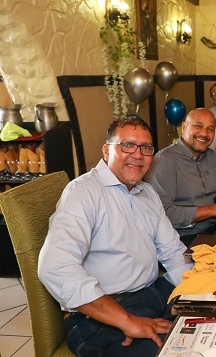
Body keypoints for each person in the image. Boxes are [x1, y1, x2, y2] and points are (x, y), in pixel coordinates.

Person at [38, 116, 192, 357]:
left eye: (146, 147)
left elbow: (172, 253)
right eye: (127, 145)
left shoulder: (147, 192)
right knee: (175, 352)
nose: (138, 154)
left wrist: (196, 292)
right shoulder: (83, 193)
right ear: (106, 150)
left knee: (215, 315)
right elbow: (55, 268)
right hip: (100, 316)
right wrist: (127, 320)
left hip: (151, 293)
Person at [146, 108, 216, 246]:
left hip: (213, 229)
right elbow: (163, 214)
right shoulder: (164, 161)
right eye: (198, 126)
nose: (204, 133)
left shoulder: (210, 156)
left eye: (210, 129)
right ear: (184, 127)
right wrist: (213, 209)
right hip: (181, 239)